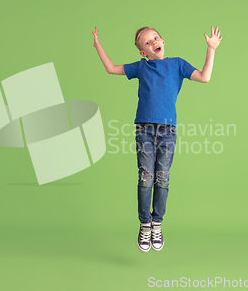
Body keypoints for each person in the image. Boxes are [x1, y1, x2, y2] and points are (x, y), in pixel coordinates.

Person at [92, 26, 223, 252]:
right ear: (143, 53)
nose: (153, 43)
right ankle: (144, 223)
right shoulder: (141, 67)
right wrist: (98, 45)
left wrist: (211, 49)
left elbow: (205, 77)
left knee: (162, 177)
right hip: (144, 129)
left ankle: (157, 223)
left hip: (168, 131)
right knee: (146, 177)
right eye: (147, 43)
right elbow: (111, 69)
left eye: (155, 38)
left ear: (162, 39)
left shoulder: (177, 64)